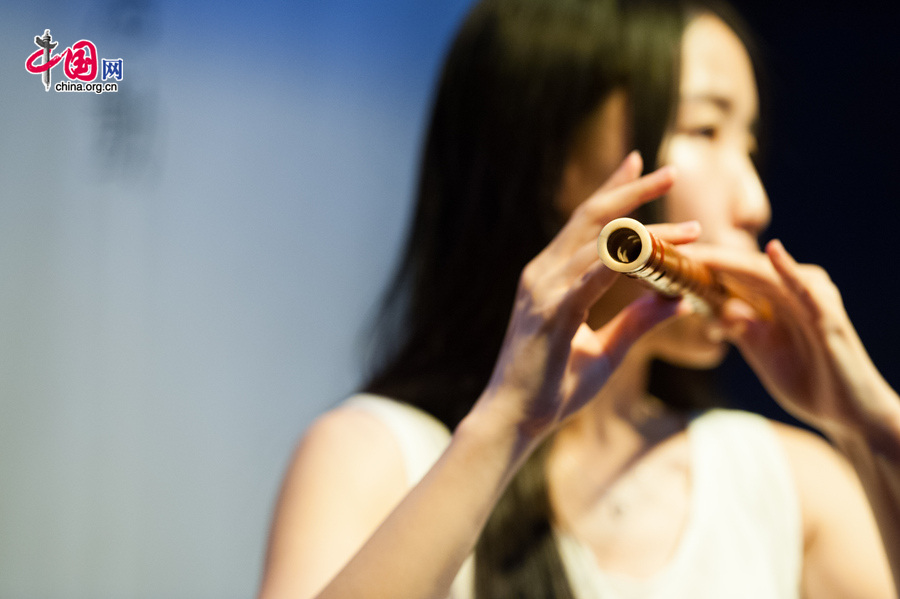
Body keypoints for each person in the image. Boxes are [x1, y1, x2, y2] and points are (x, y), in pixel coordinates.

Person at [257, 0, 900, 597]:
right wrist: (508, 422)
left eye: (749, 144)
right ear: (553, 160)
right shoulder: (377, 459)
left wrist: (872, 425)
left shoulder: (785, 482)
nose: (754, 201)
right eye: (705, 131)